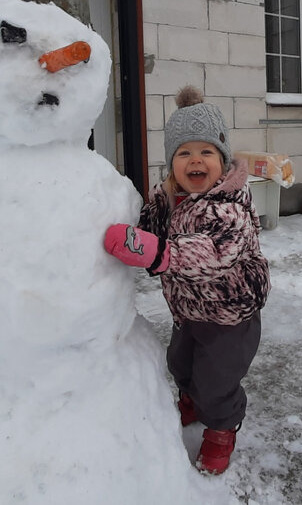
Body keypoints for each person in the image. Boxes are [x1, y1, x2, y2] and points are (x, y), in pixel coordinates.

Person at [103, 85, 270, 476]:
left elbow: (213, 253)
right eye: (184, 153)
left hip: (230, 317)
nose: (196, 160)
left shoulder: (230, 207)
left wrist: (159, 253)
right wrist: (132, 233)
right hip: (188, 309)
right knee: (181, 364)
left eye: (206, 152)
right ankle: (192, 399)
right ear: (172, 163)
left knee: (217, 381)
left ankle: (222, 428)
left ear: (223, 160)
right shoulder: (168, 199)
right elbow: (148, 227)